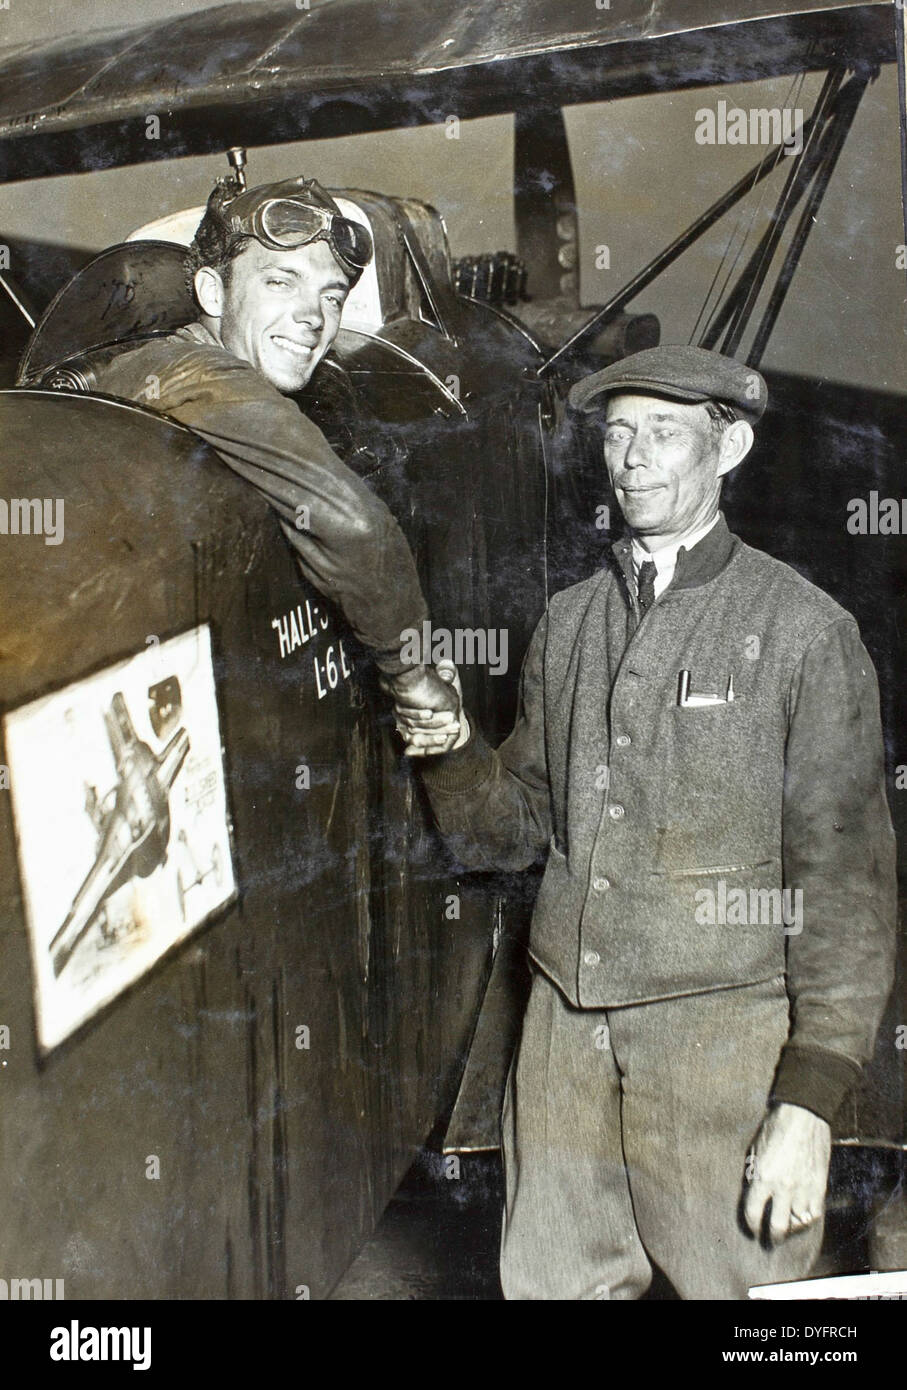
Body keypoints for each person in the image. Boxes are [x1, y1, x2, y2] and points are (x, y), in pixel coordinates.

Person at [394, 345, 897, 1300]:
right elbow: (512, 833)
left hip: (722, 1048)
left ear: (730, 447)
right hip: (561, 1047)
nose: (631, 458)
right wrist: (453, 750)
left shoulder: (805, 632)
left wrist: (806, 1108)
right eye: (617, 433)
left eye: (662, 432)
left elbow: (844, 893)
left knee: (750, 1316)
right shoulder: (569, 622)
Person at [91, 172, 457, 719]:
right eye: (280, 282)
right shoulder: (204, 375)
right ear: (213, 292)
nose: (313, 317)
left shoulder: (150, 368)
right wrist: (412, 673)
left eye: (330, 296)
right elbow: (352, 525)